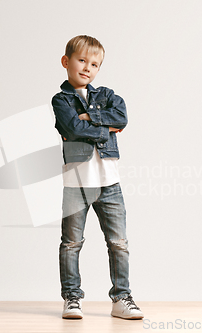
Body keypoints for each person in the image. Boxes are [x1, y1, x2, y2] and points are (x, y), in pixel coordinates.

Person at [51, 35, 144, 320]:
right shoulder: (61, 99)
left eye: (94, 64)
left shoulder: (107, 95)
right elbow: (71, 127)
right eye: (81, 60)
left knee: (119, 243)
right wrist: (104, 127)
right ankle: (72, 299)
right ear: (66, 62)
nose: (87, 68)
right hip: (76, 183)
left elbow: (122, 118)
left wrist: (87, 119)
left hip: (109, 182)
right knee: (71, 243)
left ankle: (121, 298)